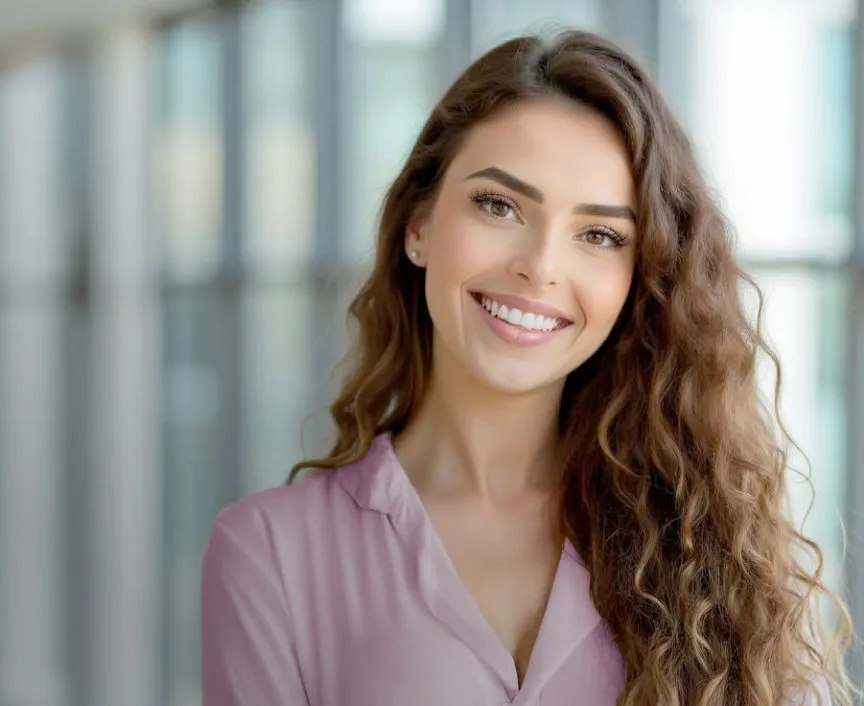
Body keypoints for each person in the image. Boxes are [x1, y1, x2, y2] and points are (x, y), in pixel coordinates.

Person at [200, 30, 854, 705]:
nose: (540, 266)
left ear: (640, 277)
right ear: (418, 224)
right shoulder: (270, 554)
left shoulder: (710, 541)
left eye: (599, 236)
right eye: (499, 205)